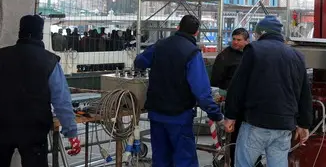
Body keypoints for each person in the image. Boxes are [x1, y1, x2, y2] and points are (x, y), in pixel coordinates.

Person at [0, 14, 81, 167]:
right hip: (34, 131)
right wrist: (72, 133)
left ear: (20, 31)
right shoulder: (49, 61)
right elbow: (62, 100)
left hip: (2, 126)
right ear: (40, 33)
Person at [134, 14, 223, 167]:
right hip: (179, 115)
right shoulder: (192, 53)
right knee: (184, 159)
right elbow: (201, 91)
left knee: (161, 158)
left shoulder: (160, 45)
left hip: (156, 112)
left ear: (178, 27)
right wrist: (215, 113)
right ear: (196, 33)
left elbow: (140, 61)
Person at [224, 16, 313, 167]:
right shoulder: (297, 56)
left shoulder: (254, 50)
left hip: (257, 122)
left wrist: (230, 116)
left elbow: (238, 84)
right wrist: (304, 124)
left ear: (260, 33)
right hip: (284, 126)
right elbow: (304, 92)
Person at [210, 28, 252, 167]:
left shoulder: (251, 54)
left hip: (250, 102)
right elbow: (215, 80)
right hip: (233, 101)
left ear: (247, 41)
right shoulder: (225, 56)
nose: (235, 42)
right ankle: (233, 161)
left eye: (239, 40)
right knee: (235, 136)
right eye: (234, 39)